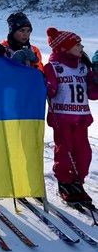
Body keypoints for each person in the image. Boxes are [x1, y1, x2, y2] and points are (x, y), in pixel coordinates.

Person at [44, 27, 98, 205]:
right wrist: (47, 84)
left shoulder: (83, 67)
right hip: (62, 119)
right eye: (77, 44)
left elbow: (93, 94)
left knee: (84, 154)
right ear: (64, 47)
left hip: (81, 118)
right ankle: (65, 183)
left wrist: (96, 79)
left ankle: (78, 182)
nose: (81, 47)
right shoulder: (54, 67)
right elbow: (50, 91)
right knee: (64, 153)